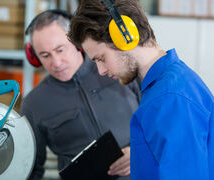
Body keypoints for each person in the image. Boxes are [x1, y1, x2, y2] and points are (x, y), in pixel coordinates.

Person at [68, 0, 214, 180]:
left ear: (125, 37)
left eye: (101, 58)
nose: (101, 71)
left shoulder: (170, 99)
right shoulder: (164, 87)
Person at [21, 9, 141, 180]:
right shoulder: (33, 104)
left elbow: (161, 122)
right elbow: (31, 170)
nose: (56, 62)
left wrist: (140, 150)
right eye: (45, 55)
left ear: (77, 42)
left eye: (60, 50)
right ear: (35, 58)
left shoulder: (118, 69)